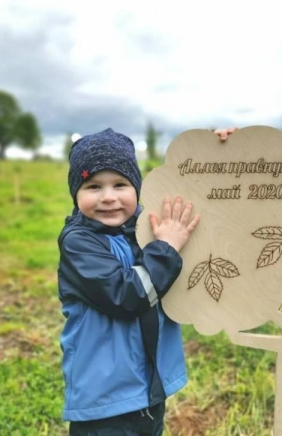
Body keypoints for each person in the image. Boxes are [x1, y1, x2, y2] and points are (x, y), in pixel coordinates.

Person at [57, 127, 236, 435]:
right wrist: (165, 248)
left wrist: (218, 151)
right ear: (76, 192)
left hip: (150, 391)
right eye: (93, 186)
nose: (109, 197)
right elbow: (128, 295)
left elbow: (194, 204)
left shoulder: (147, 227)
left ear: (137, 188)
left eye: (120, 184)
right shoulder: (79, 243)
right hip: (106, 401)